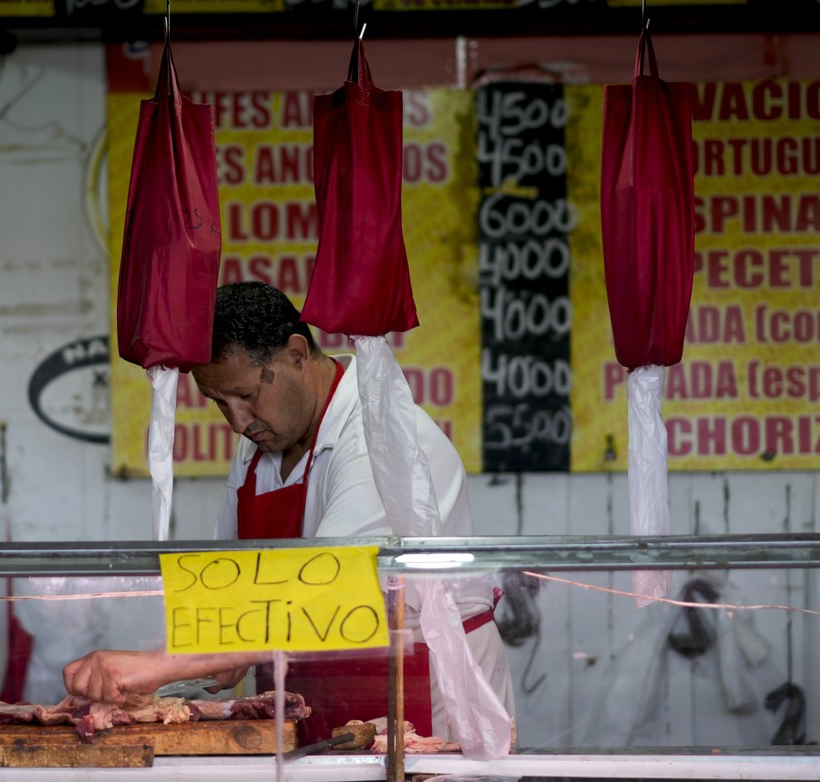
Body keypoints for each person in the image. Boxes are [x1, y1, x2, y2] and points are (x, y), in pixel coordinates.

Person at [64, 281, 514, 743]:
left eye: (247, 395)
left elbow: (326, 588)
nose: (238, 421)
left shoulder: (381, 436)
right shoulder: (260, 445)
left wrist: (158, 666)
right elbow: (231, 586)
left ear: (297, 354)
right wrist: (183, 663)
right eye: (220, 403)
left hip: (422, 692)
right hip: (313, 692)